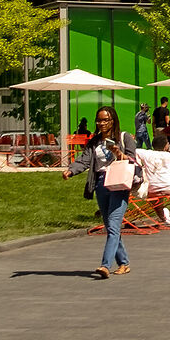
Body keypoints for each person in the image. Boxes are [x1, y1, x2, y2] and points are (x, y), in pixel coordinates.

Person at [67, 105, 140, 277]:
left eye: (105, 120)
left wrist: (119, 153)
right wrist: (70, 171)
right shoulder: (95, 141)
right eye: (99, 120)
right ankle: (124, 263)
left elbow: (133, 159)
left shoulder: (124, 137)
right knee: (110, 226)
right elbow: (84, 160)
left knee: (113, 225)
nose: (101, 123)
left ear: (113, 120)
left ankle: (105, 265)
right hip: (101, 184)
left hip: (119, 183)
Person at [139, 143, 170, 226]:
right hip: (169, 187)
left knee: (154, 198)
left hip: (153, 188)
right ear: (166, 146)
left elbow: (133, 151)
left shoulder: (146, 153)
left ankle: (163, 217)